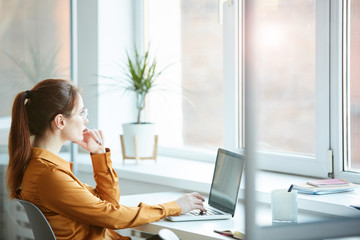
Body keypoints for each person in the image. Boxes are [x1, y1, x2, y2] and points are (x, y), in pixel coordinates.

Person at [6, 79, 206, 240]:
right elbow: (112, 216)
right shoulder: (48, 175)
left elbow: (109, 204)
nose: (86, 120)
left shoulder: (45, 168)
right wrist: (175, 207)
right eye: (81, 112)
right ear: (60, 121)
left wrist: (98, 154)